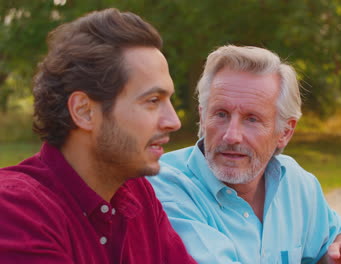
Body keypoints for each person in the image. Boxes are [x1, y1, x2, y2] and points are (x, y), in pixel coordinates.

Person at [0, 8, 196, 264]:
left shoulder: (139, 198)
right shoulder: (17, 211)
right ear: (84, 111)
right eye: (152, 100)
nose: (174, 121)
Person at [148, 45, 341, 264]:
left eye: (252, 119)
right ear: (203, 116)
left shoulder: (295, 181)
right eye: (221, 114)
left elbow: (334, 238)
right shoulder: (165, 186)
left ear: (285, 132)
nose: (231, 136)